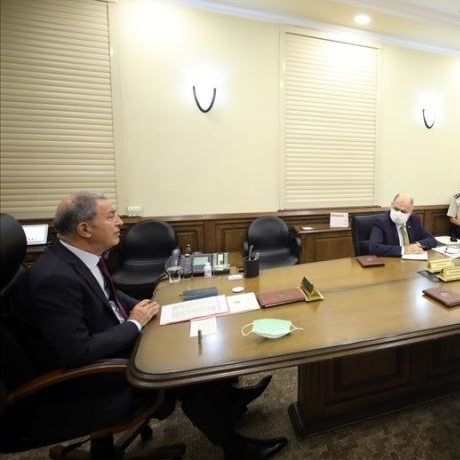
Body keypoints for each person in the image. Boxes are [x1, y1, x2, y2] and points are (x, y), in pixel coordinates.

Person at [18, 192, 287, 460]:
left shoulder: (81, 257)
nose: (120, 222)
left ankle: (230, 402)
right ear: (85, 229)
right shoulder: (54, 279)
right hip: (90, 378)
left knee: (192, 331)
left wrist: (153, 307)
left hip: (112, 346)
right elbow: (79, 352)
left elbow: (109, 296)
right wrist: (135, 323)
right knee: (185, 364)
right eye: (111, 216)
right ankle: (236, 449)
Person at [369, 193, 437, 256]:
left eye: (403, 211)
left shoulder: (414, 220)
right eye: (396, 209)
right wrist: (404, 250)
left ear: (410, 212)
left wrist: (416, 245)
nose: (398, 213)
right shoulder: (381, 222)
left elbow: (431, 239)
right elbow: (374, 248)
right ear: (391, 205)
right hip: (392, 262)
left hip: (412, 261)